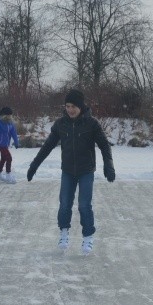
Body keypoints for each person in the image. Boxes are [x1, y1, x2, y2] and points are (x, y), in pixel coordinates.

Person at [26, 89, 114, 255]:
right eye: (67, 106)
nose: (70, 110)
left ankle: (88, 237)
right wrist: (34, 165)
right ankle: (64, 233)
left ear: (80, 106)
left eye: (73, 106)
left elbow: (104, 145)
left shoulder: (92, 124)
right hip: (67, 171)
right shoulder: (61, 124)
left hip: (86, 171)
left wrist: (108, 164)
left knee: (84, 205)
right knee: (65, 204)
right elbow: (47, 146)